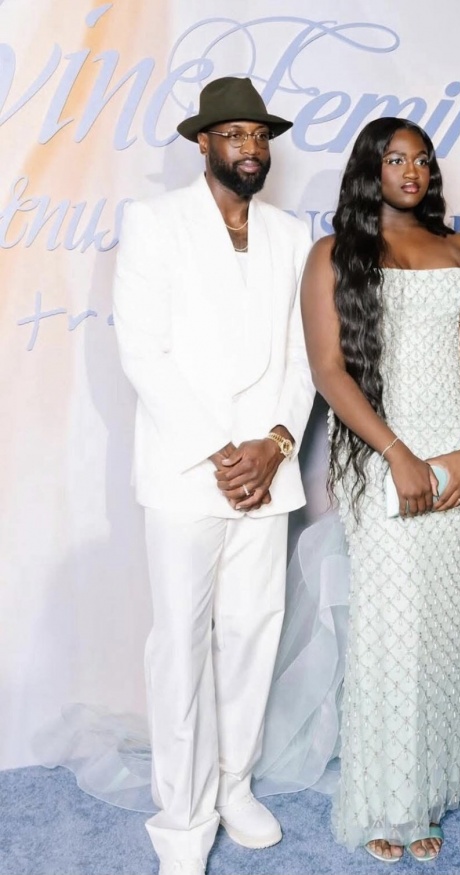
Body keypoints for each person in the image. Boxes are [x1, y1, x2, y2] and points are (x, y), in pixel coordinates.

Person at [112, 77, 314, 875]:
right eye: (234, 134)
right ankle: (183, 820)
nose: (250, 148)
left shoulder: (292, 234)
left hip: (268, 470)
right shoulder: (154, 222)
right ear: (204, 144)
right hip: (188, 470)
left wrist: (276, 442)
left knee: (253, 632)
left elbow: (305, 352)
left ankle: (234, 785)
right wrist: (222, 451)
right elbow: (143, 350)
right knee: (180, 647)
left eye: (259, 135)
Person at [300, 117, 460, 862]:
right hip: (381, 455)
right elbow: (329, 371)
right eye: (395, 159)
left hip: (451, 455)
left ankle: (428, 791)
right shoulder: (333, 254)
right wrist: (396, 455)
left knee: (440, 620)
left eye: (421, 159)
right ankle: (383, 795)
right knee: (389, 623)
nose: (411, 171)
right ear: (370, 169)